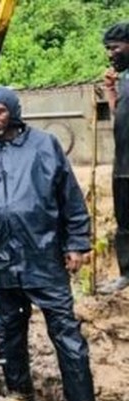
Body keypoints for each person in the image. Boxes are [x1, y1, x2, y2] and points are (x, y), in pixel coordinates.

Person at [0, 86, 108, 401]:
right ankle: (18, 392)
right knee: (9, 328)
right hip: (1, 258)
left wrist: (76, 243)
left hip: (43, 255)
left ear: (13, 112)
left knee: (66, 332)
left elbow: (69, 196)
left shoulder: (44, 146)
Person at [100, 22, 129, 294]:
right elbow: (119, 117)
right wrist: (111, 93)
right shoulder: (125, 82)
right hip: (123, 165)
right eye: (108, 49)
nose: (111, 54)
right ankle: (126, 274)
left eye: (115, 47)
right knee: (125, 223)